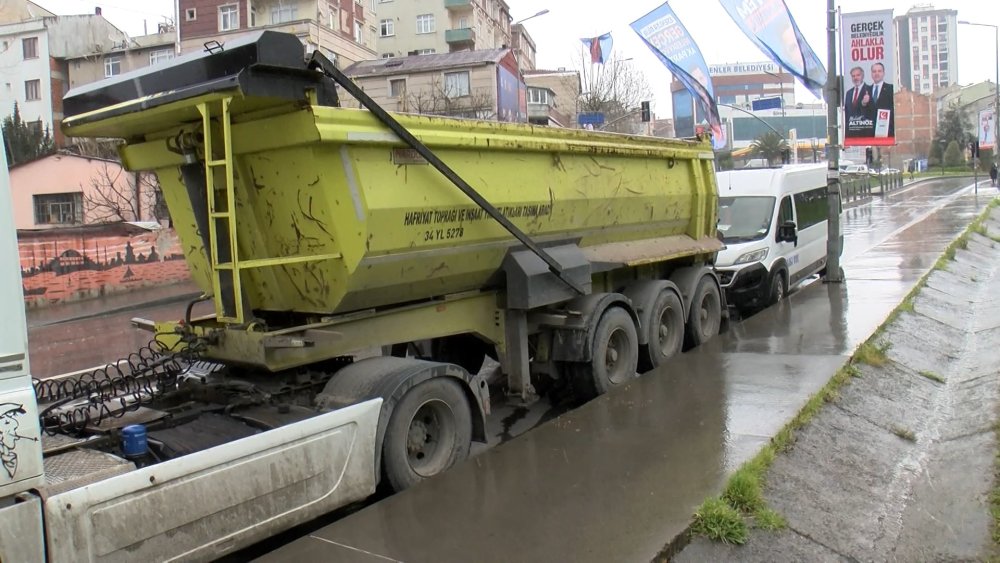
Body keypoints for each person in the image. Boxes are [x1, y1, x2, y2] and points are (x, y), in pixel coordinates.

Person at [844, 66, 873, 138]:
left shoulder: (870, 90)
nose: (855, 78)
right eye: (853, 76)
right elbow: (847, 113)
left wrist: (864, 103)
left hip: (866, 134)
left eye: (858, 75)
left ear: (863, 76)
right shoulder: (849, 93)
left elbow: (873, 110)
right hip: (851, 134)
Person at [869, 62, 894, 137]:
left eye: (879, 71)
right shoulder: (866, 90)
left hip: (887, 132)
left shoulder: (891, 88)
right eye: (874, 71)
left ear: (883, 73)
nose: (877, 73)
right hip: (869, 133)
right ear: (871, 74)